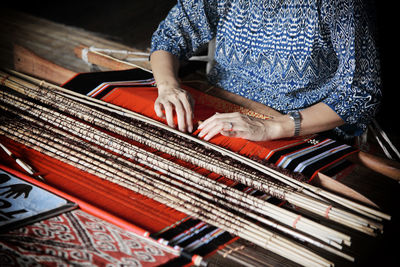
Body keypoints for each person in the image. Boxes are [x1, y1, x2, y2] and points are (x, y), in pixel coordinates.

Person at [149, 0, 381, 142]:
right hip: (219, 108)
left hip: (299, 126)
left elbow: (360, 92)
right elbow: (169, 36)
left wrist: (272, 127)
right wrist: (168, 87)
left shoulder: (340, 4)